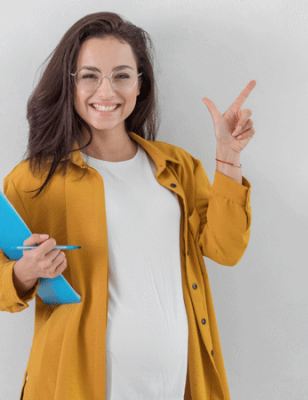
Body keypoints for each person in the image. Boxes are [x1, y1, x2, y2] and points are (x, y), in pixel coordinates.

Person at [0, 11, 255, 400]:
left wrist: (228, 157)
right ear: (69, 85)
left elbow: (226, 248)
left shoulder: (177, 167)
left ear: (140, 85)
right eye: (89, 76)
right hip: (75, 384)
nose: (106, 91)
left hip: (176, 384)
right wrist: (24, 271)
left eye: (121, 75)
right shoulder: (34, 179)